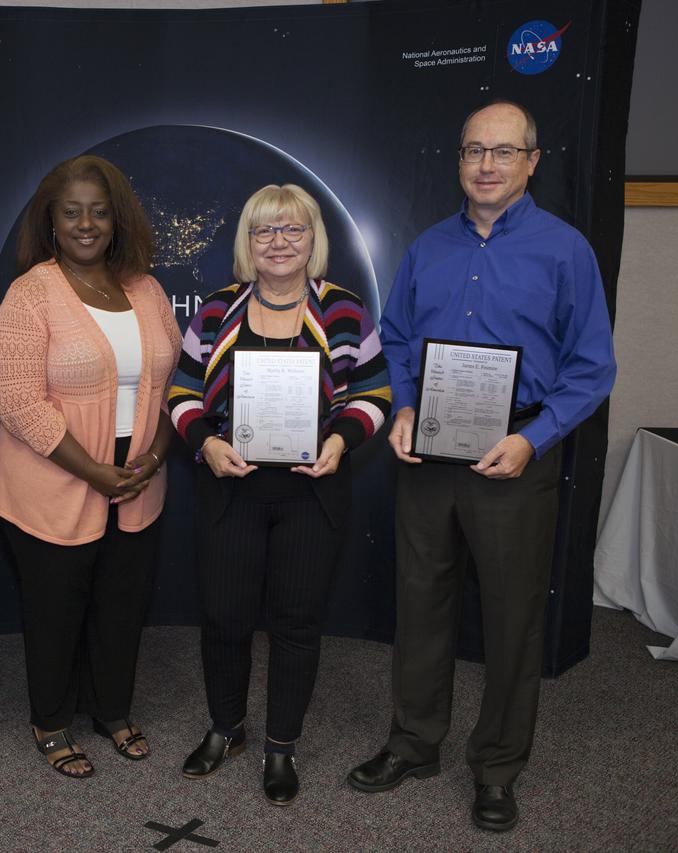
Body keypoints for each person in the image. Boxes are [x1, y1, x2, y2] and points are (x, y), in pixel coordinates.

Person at [347, 101, 616, 832]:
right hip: (429, 450)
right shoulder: (429, 247)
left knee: (512, 618)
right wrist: (402, 406)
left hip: (515, 454)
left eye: (503, 151)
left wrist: (537, 438)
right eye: (473, 150)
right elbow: (396, 339)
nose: (487, 165)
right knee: (421, 602)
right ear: (458, 161)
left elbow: (593, 368)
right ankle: (414, 741)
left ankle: (497, 766)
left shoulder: (566, 252)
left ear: (532, 161)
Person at [168, 183, 391, 805]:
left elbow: (375, 396)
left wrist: (342, 442)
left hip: (310, 492)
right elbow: (180, 395)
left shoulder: (344, 311)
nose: (279, 242)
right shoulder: (215, 310)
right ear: (248, 242)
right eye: (265, 231)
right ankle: (226, 729)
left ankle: (281, 747)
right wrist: (206, 445)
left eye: (293, 230)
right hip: (230, 488)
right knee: (225, 618)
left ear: (313, 239)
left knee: (296, 622)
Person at [0, 155, 181, 779]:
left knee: (121, 606)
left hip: (138, 479)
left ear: (117, 219)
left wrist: (152, 456)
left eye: (99, 211)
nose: (87, 223)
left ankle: (112, 709)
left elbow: (172, 386)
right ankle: (51, 722)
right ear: (51, 221)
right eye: (71, 212)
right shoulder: (31, 293)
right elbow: (17, 402)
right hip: (54, 480)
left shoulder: (147, 290)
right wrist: (93, 470)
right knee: (55, 610)